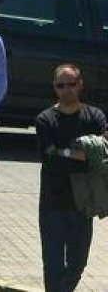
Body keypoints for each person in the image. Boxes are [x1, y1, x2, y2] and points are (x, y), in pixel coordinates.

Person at [35, 64, 107, 292]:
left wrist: (63, 152)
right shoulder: (45, 119)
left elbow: (103, 150)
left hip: (83, 203)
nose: (66, 90)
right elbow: (50, 160)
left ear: (81, 84)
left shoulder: (94, 116)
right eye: (60, 85)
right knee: (53, 264)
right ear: (54, 87)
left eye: (71, 84)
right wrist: (82, 155)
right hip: (52, 203)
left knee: (78, 262)